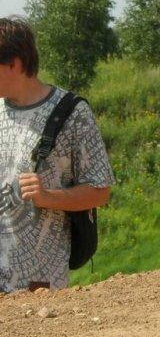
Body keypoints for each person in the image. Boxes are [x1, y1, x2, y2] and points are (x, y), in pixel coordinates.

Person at [0, 17, 113, 293]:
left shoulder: (72, 114)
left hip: (38, 286)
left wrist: (48, 198)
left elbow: (100, 190)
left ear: (14, 64)